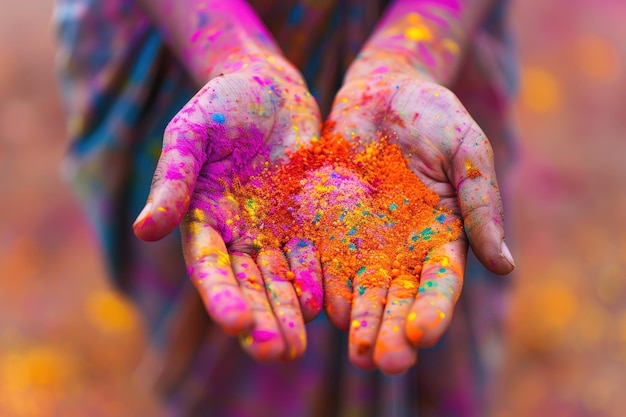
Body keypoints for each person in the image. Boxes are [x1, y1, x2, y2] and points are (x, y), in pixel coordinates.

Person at [55, 0, 517, 415]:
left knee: (429, 346)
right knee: (221, 350)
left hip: (438, 43)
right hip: (179, 41)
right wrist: (232, 52)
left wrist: (412, 53)